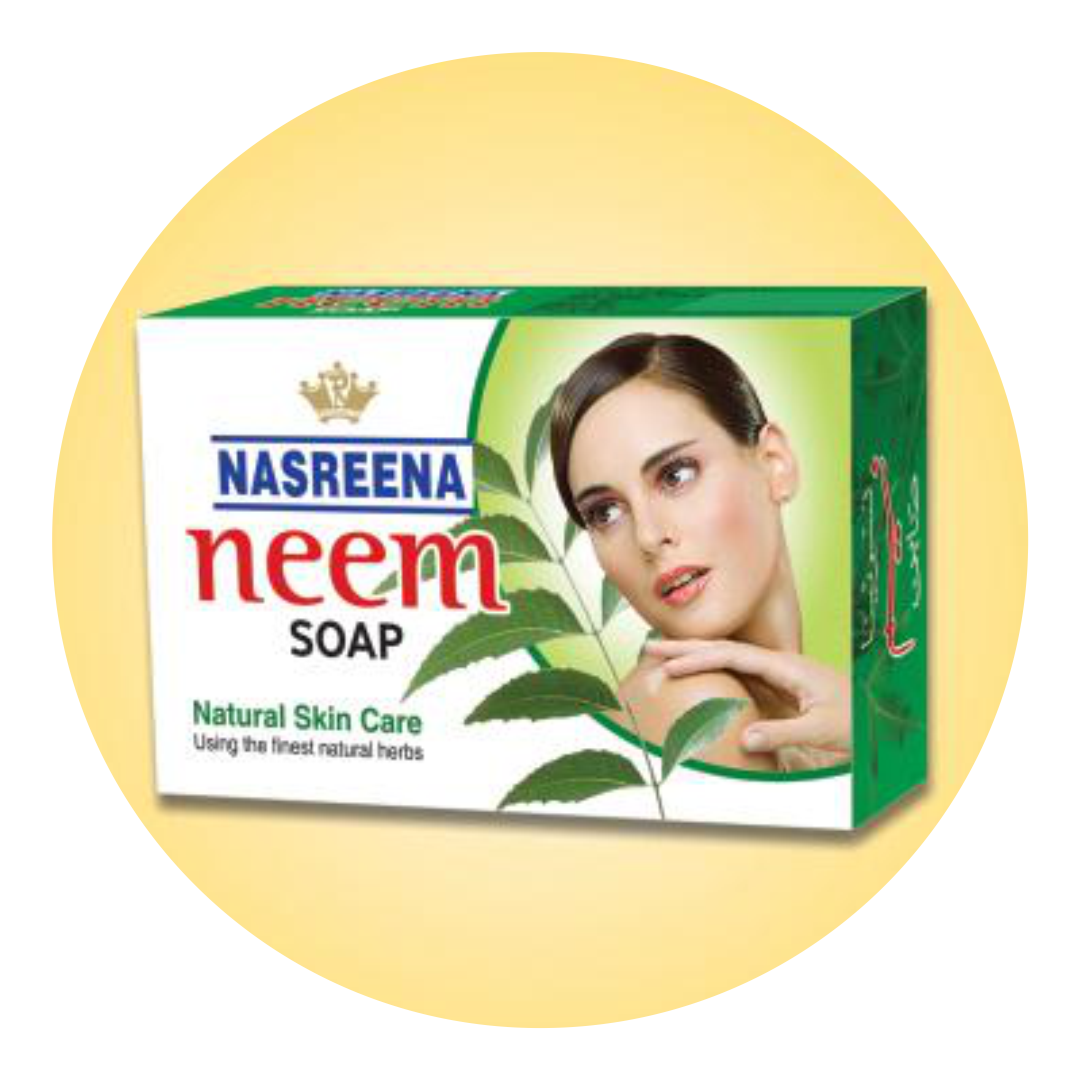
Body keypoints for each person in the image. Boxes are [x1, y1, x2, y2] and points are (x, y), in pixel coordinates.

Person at [549, 333, 850, 772]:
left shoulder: (827, 716)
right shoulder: (698, 706)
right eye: (605, 512)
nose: (648, 537)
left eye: (676, 475)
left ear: (774, 463)